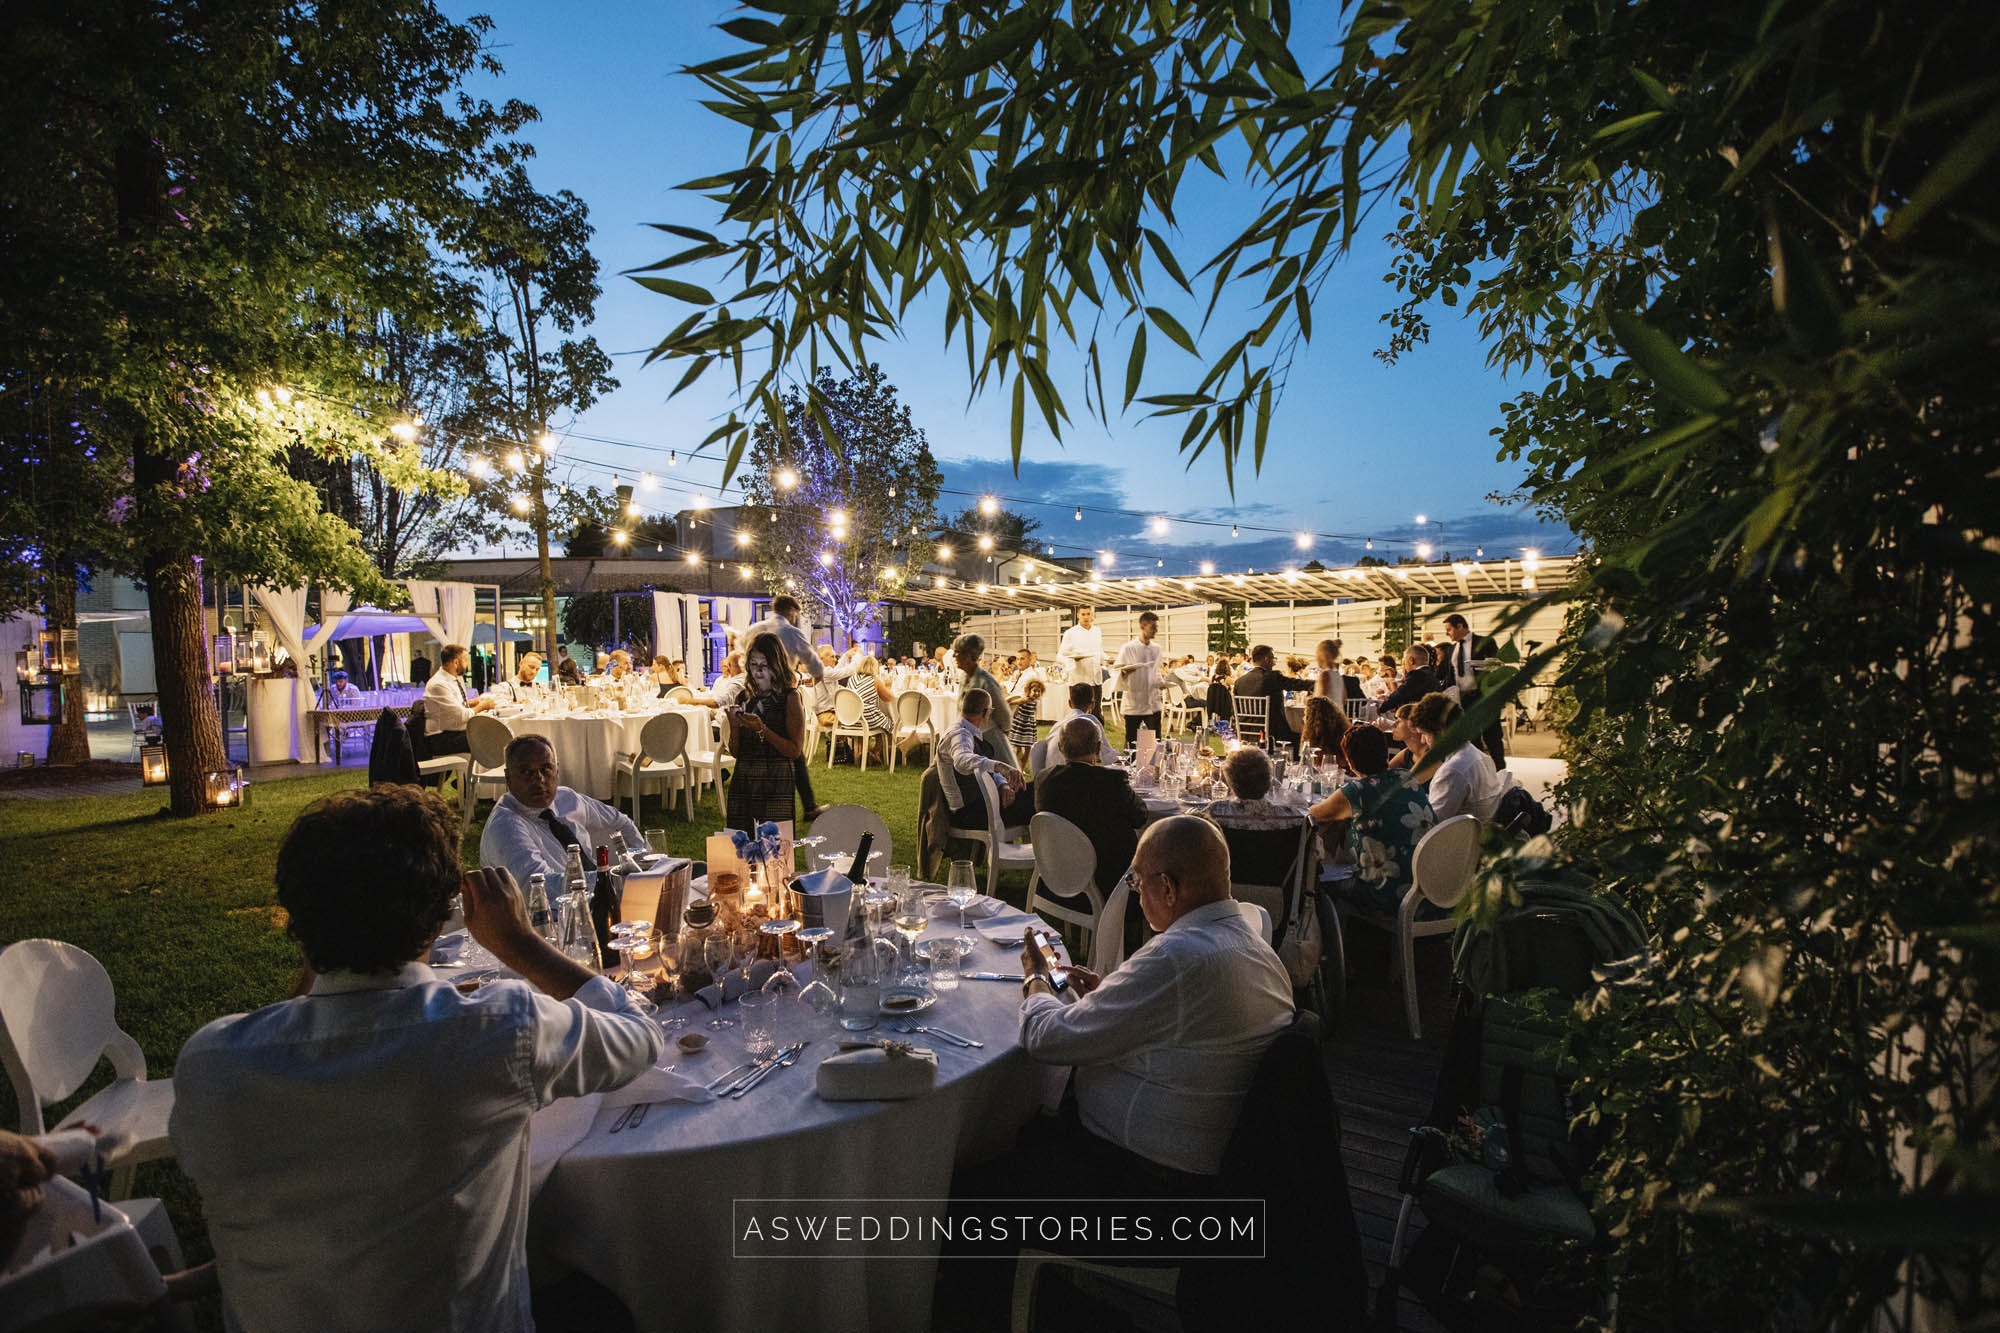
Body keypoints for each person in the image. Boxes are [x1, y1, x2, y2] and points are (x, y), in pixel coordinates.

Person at [171, 787, 660, 1332]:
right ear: (439, 919)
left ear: (297, 920)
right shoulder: (495, 1030)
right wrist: (519, 943)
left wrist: (324, 942)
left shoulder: (210, 1065)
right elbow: (640, 1035)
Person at [1017, 816, 1294, 1180]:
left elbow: (1045, 1039)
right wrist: (1112, 996)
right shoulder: (1256, 949)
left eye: (1135, 880)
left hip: (1138, 1172)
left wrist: (1035, 977)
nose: (1135, 891)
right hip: (1220, 1155)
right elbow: (1187, 1025)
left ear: (1166, 888)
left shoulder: (1176, 958)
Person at [479, 734, 649, 886]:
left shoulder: (566, 798)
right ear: (508, 778)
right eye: (526, 772)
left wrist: (641, 863)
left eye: (546, 768)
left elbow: (620, 821)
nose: (539, 779)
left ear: (557, 770)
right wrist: (612, 878)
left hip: (596, 893)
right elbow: (539, 885)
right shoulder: (506, 827)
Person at [1308, 725, 1435, 914]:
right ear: (1385, 753)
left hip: (1388, 895)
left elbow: (1314, 814)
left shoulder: (1357, 792)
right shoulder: (1407, 777)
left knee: (1320, 886)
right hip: (1428, 889)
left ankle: (1338, 941)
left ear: (1350, 762)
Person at [1034, 717, 1148, 895]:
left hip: (1056, 882)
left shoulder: (1044, 779)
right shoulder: (1112, 783)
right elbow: (1140, 817)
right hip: (1109, 887)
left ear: (1060, 747)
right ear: (1097, 748)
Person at [744, 596, 828, 819]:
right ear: (791, 611)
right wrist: (814, 681)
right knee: (793, 749)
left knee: (756, 747)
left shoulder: (755, 628)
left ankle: (754, 803)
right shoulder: (791, 632)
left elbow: (742, 653)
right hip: (781, 693)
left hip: (754, 692)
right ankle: (808, 806)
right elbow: (815, 664)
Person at [723, 631, 807, 832]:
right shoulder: (744, 696)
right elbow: (737, 752)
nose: (758, 671)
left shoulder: (790, 697)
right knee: (740, 847)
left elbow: (794, 750)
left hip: (776, 778)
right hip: (744, 778)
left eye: (764, 665)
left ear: (776, 665)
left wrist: (762, 729)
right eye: (753, 665)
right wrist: (734, 726)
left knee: (775, 852)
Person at [934, 688, 1034, 831]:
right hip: (970, 814)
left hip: (984, 804)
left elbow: (983, 766)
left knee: (1039, 788)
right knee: (1039, 793)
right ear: (985, 712)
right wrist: (1001, 766)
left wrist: (1002, 785)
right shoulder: (959, 733)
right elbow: (962, 760)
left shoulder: (968, 731)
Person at [1409, 692, 1512, 822]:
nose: (1423, 741)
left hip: (1460, 838)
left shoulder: (1453, 771)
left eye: (1424, 734)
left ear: (1440, 731)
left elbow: (1433, 823)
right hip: (1478, 829)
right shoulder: (1478, 755)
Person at [1441, 612, 1507, 766]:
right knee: (1471, 739)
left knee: (1492, 737)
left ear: (1460, 626)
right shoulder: (1451, 649)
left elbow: (1495, 664)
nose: (1446, 633)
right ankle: (1478, 771)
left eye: (1449, 629)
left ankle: (1500, 772)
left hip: (1485, 697)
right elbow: (1451, 676)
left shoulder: (1485, 642)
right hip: (1464, 699)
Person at [1233, 643, 1316, 748]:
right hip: (1273, 733)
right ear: (1266, 659)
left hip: (1246, 734)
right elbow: (1295, 684)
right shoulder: (1272, 677)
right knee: (1300, 737)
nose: (1274, 663)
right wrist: (1318, 684)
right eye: (1273, 659)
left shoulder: (1239, 682)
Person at [422, 642, 496, 754]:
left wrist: (474, 702)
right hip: (440, 738)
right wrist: (482, 706)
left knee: (490, 729)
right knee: (489, 737)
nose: (468, 664)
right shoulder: (439, 684)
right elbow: (460, 716)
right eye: (466, 660)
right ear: (456, 662)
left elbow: (454, 707)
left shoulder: (451, 679)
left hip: (451, 732)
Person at [953, 633, 1014, 756]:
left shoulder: (986, 682)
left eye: (957, 652)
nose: (954, 655)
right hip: (970, 741)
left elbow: (1005, 717)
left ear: (968, 656)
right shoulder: (965, 677)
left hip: (990, 743)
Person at [1039, 681, 1118, 772]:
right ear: (1092, 705)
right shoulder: (1089, 721)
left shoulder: (1057, 725)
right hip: (1071, 777)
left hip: (1051, 777)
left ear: (1069, 703)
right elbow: (1109, 757)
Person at [1112, 610, 1165, 740]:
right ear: (1142, 626)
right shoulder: (1128, 648)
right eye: (1153, 627)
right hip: (1134, 703)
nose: (1155, 631)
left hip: (1153, 702)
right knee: (1132, 741)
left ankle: (1154, 761)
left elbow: (1156, 671)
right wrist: (1124, 671)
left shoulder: (1157, 648)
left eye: (1156, 627)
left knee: (1155, 741)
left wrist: (1162, 683)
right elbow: (1117, 671)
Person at [1055, 605, 1105, 713]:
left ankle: (1097, 730)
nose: (1086, 617)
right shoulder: (1071, 633)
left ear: (1092, 615)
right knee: (1079, 713)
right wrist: (1073, 661)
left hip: (1096, 680)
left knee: (1096, 712)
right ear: (1078, 615)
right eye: (1083, 614)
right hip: (1078, 680)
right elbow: (1060, 655)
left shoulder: (1097, 631)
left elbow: (1099, 651)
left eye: (1088, 614)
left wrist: (1107, 659)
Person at [1375, 644, 1442, 715]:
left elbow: (1400, 694)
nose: (1405, 665)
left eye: (1405, 661)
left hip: (1415, 716)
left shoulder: (1417, 674)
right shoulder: (1431, 673)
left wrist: (1381, 708)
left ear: (1411, 660)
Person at [1313, 638, 1364, 712]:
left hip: (1327, 716)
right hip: (1339, 715)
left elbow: (1318, 702)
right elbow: (1344, 700)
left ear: (1321, 656)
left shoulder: (1325, 675)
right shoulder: (1338, 675)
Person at [1299, 694, 1349, 761]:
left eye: (1305, 715)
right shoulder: (1341, 733)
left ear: (1311, 719)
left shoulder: (1315, 740)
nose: (1303, 718)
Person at [1007, 677, 1045, 764]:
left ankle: (1022, 764)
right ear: (1028, 691)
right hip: (1021, 724)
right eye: (1034, 691)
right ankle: (1016, 763)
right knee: (1018, 745)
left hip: (1029, 725)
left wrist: (1033, 721)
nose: (1037, 693)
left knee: (1028, 747)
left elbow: (1033, 712)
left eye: (1039, 691)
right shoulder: (1025, 700)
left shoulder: (1036, 701)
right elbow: (1011, 702)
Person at [1204, 658, 1235, 725]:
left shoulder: (1213, 678)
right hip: (1224, 704)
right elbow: (1238, 683)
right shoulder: (1227, 678)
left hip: (1214, 704)